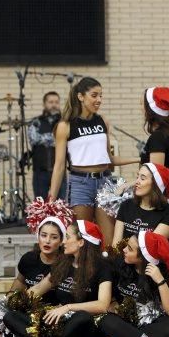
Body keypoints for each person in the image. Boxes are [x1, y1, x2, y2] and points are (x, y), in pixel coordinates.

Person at [3, 220, 114, 337]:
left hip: (83, 330)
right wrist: (12, 300)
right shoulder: (63, 262)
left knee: (82, 317)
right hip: (58, 324)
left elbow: (102, 305)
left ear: (81, 242)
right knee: (10, 316)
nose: (63, 242)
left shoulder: (102, 268)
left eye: (67, 237)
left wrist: (68, 308)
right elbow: (38, 289)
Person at [47, 77, 139, 241]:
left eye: (101, 96)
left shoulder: (102, 121)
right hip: (80, 185)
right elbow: (59, 165)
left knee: (110, 240)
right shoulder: (65, 126)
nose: (99, 100)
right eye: (94, 95)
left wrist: (139, 159)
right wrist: (51, 198)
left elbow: (109, 159)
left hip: (106, 183)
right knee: (82, 238)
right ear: (81, 96)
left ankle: (109, 267)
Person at [101, 230, 169, 337]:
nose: (124, 250)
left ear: (143, 257)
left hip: (148, 325)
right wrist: (114, 302)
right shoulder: (119, 263)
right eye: (127, 246)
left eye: (130, 249)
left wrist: (160, 281)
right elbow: (109, 296)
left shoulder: (160, 272)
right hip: (124, 323)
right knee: (107, 321)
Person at [140, 86, 169, 213]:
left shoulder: (158, 137)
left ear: (150, 109)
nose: (140, 107)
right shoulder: (165, 134)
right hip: (167, 195)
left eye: (142, 104)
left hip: (164, 199)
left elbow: (156, 175)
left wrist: (128, 185)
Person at [113, 163, 169, 243]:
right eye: (137, 177)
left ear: (156, 184)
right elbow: (116, 244)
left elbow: (150, 246)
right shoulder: (126, 205)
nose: (137, 182)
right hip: (123, 254)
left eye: (142, 178)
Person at [28, 91, 66, 200]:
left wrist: (44, 138)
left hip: (60, 172)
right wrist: (58, 138)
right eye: (50, 102)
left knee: (60, 206)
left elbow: (67, 140)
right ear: (44, 104)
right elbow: (34, 139)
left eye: (56, 102)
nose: (54, 105)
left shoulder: (65, 122)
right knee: (40, 206)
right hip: (40, 172)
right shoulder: (36, 122)